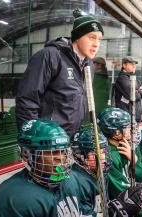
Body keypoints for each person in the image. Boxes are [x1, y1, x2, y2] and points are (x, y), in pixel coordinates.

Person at [16, 8, 104, 136]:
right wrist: (33, 137)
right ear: (78, 37)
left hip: (72, 139)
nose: (96, 44)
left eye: (99, 39)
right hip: (48, 142)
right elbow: (27, 100)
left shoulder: (89, 65)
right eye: (92, 37)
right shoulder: (50, 56)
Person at [0, 120, 82, 217]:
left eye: (63, 151)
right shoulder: (13, 197)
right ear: (27, 155)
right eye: (52, 152)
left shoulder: (71, 180)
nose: (61, 157)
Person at [71, 127, 142, 217]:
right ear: (79, 155)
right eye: (95, 154)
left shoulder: (101, 172)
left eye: (103, 152)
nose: (103, 157)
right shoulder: (75, 180)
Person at [114, 56, 142, 122]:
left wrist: (137, 90)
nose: (134, 66)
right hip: (125, 118)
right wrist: (139, 89)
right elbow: (133, 96)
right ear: (124, 65)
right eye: (131, 64)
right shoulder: (122, 78)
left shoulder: (134, 78)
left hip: (135, 117)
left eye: (135, 64)